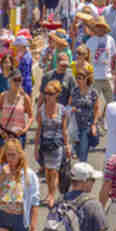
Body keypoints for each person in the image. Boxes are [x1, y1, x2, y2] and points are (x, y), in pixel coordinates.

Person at [36, 79, 73, 208]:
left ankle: (52, 195)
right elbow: (39, 129)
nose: (47, 96)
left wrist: (67, 145)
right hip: (45, 144)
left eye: (51, 93)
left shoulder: (62, 110)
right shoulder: (41, 110)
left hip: (57, 144)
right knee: (47, 171)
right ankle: (50, 192)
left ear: (57, 94)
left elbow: (64, 130)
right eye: (46, 93)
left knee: (55, 171)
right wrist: (36, 148)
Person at [0, 70, 33, 149]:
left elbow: (31, 116)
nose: (17, 82)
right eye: (15, 80)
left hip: (18, 136)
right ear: (9, 81)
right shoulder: (3, 96)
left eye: (19, 80)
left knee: (18, 160)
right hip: (5, 134)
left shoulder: (25, 97)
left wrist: (25, 129)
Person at [71, 63, 104, 165]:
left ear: (86, 79)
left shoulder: (93, 92)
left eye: (80, 78)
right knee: (79, 151)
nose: (78, 80)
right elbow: (70, 105)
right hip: (76, 126)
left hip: (87, 126)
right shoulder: (74, 91)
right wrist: (72, 109)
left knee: (83, 153)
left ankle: (82, 172)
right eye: (77, 78)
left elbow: (97, 109)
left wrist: (94, 124)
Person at [84, 14, 116, 107]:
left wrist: (114, 73)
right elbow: (86, 60)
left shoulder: (111, 40)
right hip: (95, 77)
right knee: (93, 103)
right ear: (95, 28)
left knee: (112, 103)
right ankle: (95, 120)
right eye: (98, 26)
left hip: (108, 76)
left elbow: (114, 57)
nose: (100, 29)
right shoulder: (90, 41)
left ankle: (104, 118)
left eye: (102, 26)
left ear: (105, 28)